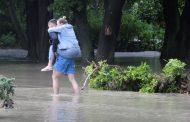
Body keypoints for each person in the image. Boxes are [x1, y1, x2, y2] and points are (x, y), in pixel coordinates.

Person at [48, 16, 81, 95]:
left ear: (61, 24)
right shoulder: (70, 28)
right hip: (75, 53)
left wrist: (50, 29)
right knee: (72, 79)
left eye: (58, 24)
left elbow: (54, 38)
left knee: (54, 77)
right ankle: (78, 97)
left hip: (67, 54)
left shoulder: (61, 28)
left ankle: (55, 97)